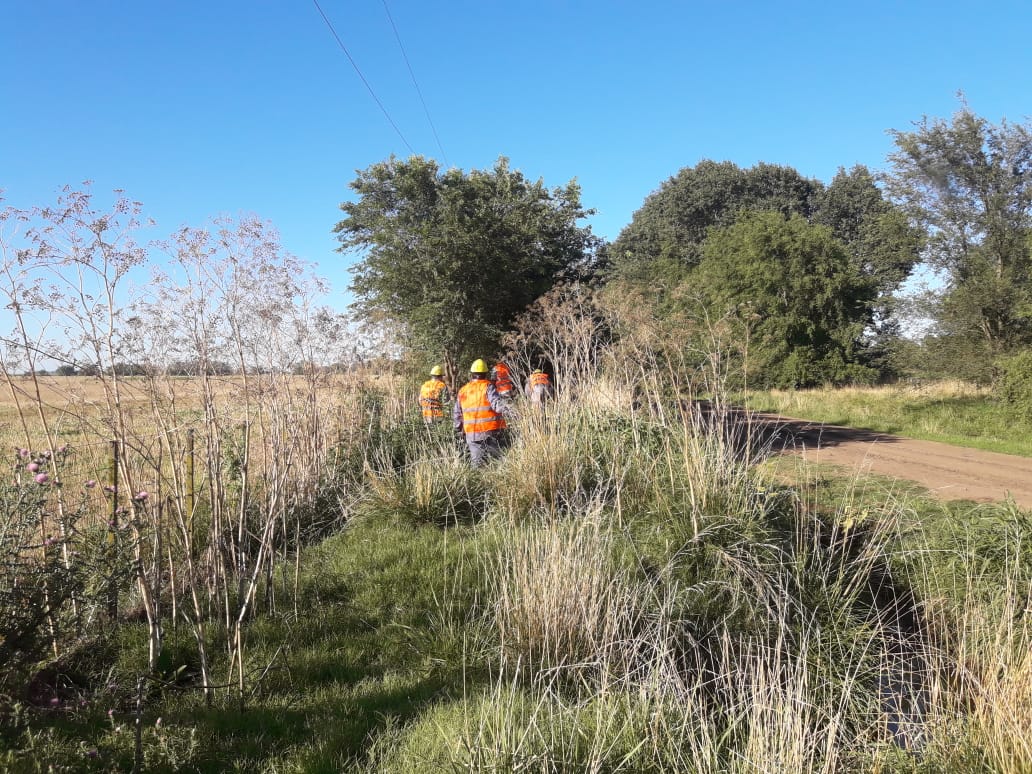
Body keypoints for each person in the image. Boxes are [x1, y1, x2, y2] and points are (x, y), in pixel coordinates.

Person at [454, 358, 509, 466]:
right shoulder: (488, 387)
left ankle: (479, 482)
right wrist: (511, 410)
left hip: (472, 433)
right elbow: (497, 406)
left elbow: (457, 413)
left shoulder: (463, 390)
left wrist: (458, 428)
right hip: (491, 431)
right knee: (498, 462)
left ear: (472, 374)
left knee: (477, 464)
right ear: (485, 374)